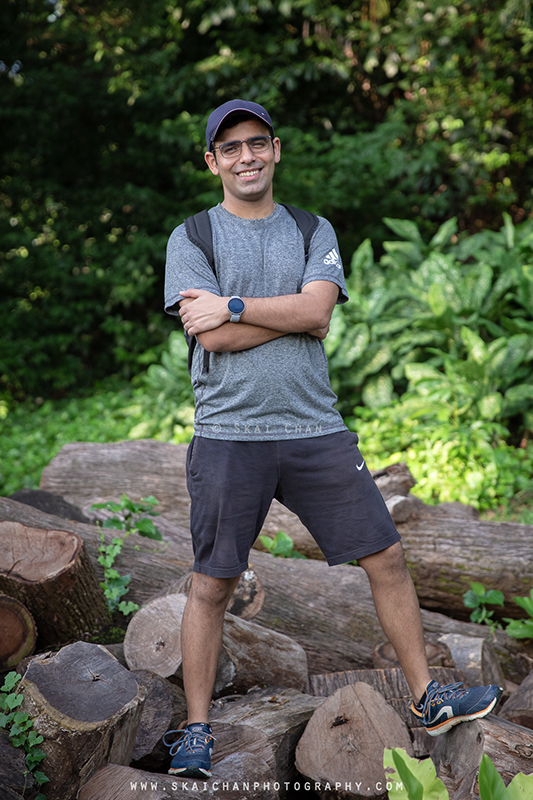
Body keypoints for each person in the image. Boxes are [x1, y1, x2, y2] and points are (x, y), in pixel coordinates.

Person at [163, 99, 503, 778]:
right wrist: (281, 314)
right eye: (230, 148)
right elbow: (215, 338)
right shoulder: (192, 236)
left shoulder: (311, 229)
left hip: (315, 430)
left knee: (387, 556)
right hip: (229, 435)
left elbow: (317, 313)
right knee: (213, 583)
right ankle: (196, 730)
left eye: (256, 143)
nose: (246, 156)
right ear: (212, 162)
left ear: (276, 150)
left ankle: (427, 698)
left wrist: (233, 305)